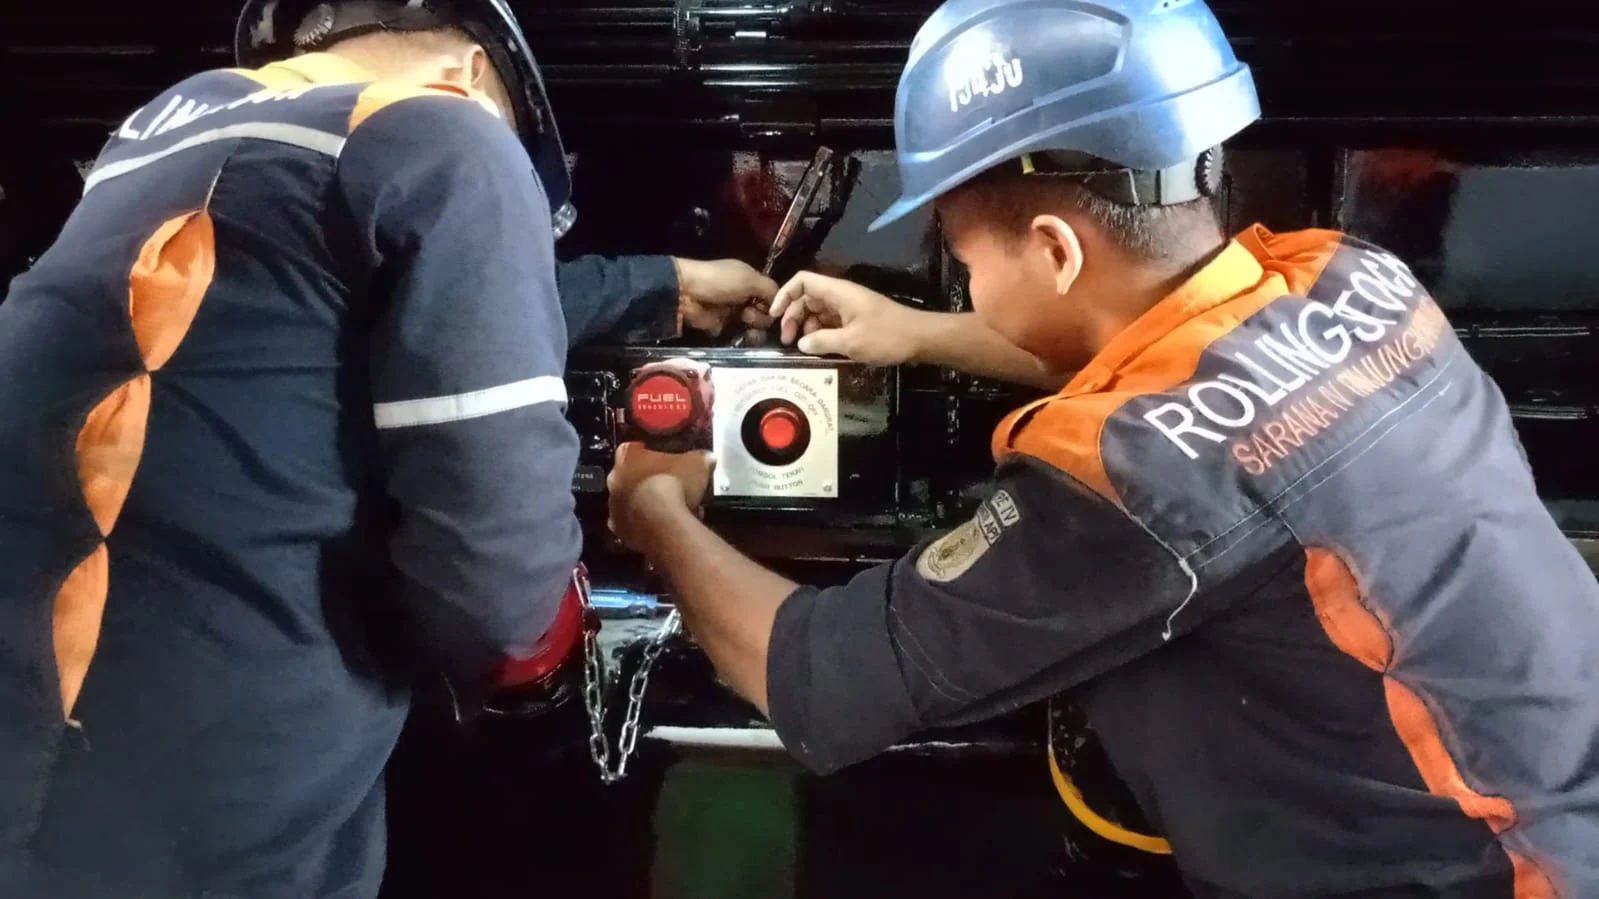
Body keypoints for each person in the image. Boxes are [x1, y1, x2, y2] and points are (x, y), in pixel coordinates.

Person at [605, 0, 1599, 895]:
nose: (963, 276)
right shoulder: (1348, 278)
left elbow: (811, 676)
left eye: (963, 255)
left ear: (1055, 249)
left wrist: (655, 507)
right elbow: (1172, 367)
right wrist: (916, 331)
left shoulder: (1125, 489)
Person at [0, 0, 772, 896]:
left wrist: (663, 285)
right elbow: (494, 583)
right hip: (211, 801)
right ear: (472, 76)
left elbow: (386, 306)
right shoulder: (452, 134)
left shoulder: (165, 131)